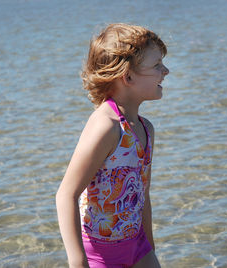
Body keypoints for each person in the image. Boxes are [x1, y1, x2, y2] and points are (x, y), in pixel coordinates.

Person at [56, 23, 169, 268]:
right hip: (99, 255)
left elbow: (143, 194)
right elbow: (66, 194)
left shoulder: (146, 129)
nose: (166, 71)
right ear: (127, 76)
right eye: (157, 65)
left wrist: (150, 247)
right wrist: (78, 261)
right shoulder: (106, 126)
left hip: (138, 246)